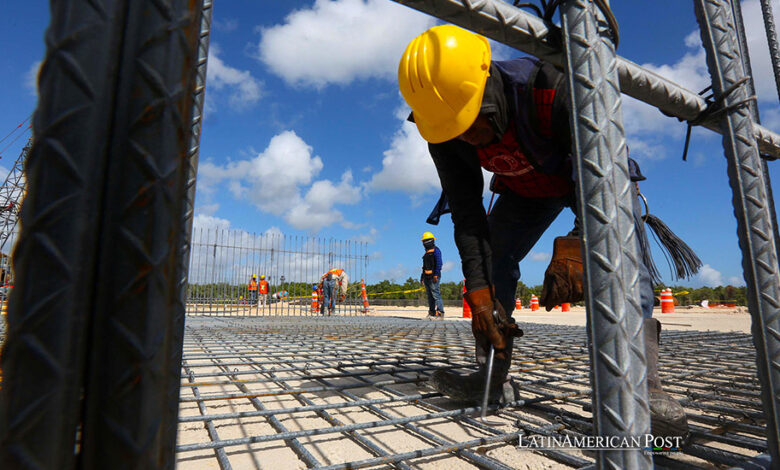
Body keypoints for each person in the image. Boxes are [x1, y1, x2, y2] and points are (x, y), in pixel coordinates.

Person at [398, 24, 687, 437]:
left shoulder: (551, 87)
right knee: (493, 259)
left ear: (487, 81)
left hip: (590, 176)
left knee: (624, 261)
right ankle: (492, 376)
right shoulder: (442, 127)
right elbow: (467, 212)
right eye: (456, 128)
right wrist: (479, 290)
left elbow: (604, 175)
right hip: (525, 187)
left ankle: (643, 387)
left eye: (474, 119)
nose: (468, 135)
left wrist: (580, 243)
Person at [420, 232, 445, 319]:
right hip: (426, 277)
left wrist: (436, 275)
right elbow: (424, 266)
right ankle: (431, 313)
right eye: (424, 241)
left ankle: (440, 313)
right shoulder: (426, 253)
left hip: (434, 277)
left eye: (426, 241)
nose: (424, 243)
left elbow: (439, 263)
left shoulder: (436, 250)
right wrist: (422, 277)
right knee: (430, 296)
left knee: (436, 295)